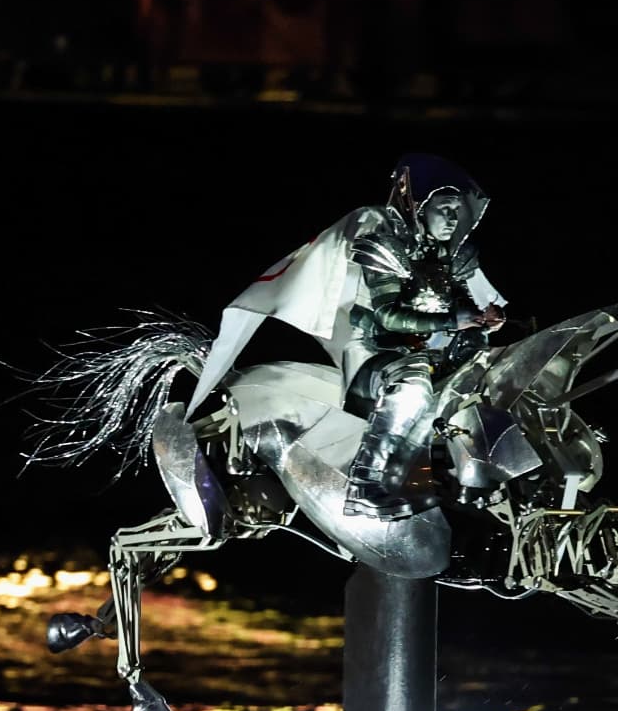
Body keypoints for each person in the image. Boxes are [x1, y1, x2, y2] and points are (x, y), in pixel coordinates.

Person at [181, 154, 507, 520]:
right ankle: (366, 484)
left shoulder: (450, 253)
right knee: (412, 386)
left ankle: (467, 481)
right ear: (418, 204)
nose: (452, 218)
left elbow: (464, 303)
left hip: (432, 354)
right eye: (444, 207)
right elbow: (388, 315)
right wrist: (452, 320)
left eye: (457, 209)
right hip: (375, 352)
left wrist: (484, 320)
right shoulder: (384, 240)